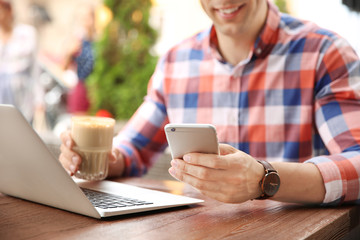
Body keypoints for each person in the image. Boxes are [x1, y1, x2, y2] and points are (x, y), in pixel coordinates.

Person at [60, 0, 360, 206]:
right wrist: (96, 158)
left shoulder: (323, 53)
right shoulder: (175, 62)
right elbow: (132, 150)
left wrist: (264, 179)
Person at [0, 0, 44, 123]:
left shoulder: (26, 34)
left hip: (22, 98)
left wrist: (39, 99)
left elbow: (35, 67)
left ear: (8, 10)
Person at [61, 3, 95, 114]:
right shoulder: (76, 39)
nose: (85, 20)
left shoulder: (97, 40)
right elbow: (64, 66)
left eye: (87, 16)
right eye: (82, 17)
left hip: (95, 89)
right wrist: (69, 53)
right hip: (81, 89)